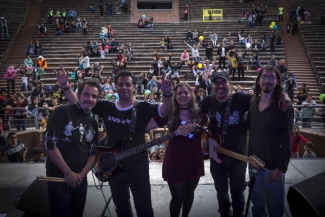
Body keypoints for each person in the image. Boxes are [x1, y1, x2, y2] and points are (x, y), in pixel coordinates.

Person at [55, 65, 173, 217]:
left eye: (128, 84)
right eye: (121, 84)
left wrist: (167, 93)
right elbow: (80, 103)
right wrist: (64, 86)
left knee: (144, 208)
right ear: (115, 87)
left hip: (138, 168)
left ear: (134, 87)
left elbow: (165, 109)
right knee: (121, 208)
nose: (124, 87)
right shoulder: (107, 106)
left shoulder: (143, 107)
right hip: (113, 166)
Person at [198, 69, 291, 217]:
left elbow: (265, 98)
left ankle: (238, 214)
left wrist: (283, 95)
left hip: (239, 157)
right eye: (216, 83)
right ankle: (224, 213)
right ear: (212, 85)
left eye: (224, 82)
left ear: (230, 84)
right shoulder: (208, 101)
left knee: (238, 192)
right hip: (217, 157)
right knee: (221, 192)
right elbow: (194, 114)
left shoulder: (243, 99)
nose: (220, 86)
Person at [147, 82, 208, 217]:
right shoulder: (169, 113)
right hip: (175, 160)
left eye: (186, 92)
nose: (183, 95)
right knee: (177, 197)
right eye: (179, 93)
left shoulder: (200, 114)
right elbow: (147, 126)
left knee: (189, 193)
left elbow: (209, 130)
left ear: (191, 95)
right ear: (175, 96)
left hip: (194, 158)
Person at [44, 79, 100, 217]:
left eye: (94, 96)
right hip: (59, 179)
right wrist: (67, 172)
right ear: (79, 95)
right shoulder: (63, 111)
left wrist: (81, 175)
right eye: (86, 94)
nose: (90, 99)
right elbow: (50, 144)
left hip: (80, 180)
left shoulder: (93, 122)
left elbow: (93, 152)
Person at [247, 63, 293, 217]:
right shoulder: (252, 104)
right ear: (259, 81)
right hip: (253, 165)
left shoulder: (284, 107)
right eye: (264, 77)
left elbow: (287, 142)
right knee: (257, 207)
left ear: (278, 82)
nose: (267, 80)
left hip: (273, 167)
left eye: (272, 77)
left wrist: (281, 169)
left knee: (275, 210)